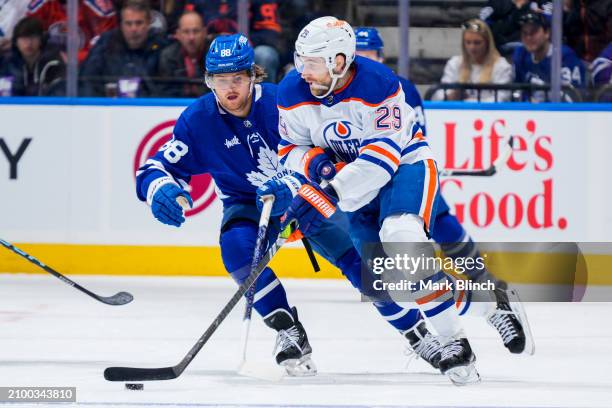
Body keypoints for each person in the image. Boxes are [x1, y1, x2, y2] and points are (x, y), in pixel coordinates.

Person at [135, 33, 443, 376]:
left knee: (363, 267)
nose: (230, 88)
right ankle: (287, 330)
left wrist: (298, 183)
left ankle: (417, 333)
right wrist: (161, 188)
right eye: (221, 81)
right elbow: (156, 167)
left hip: (309, 197)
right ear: (209, 81)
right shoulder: (197, 121)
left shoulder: (286, 100)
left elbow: (330, 153)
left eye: (238, 78)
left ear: (253, 75)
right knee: (237, 250)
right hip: (248, 203)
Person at [267, 16, 483, 385]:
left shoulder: (381, 84)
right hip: (349, 183)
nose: (303, 70)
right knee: (385, 280)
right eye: (300, 60)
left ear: (338, 61)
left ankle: (454, 342)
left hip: (404, 167)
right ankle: (468, 292)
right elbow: (289, 147)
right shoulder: (291, 90)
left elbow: (381, 161)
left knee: (401, 237)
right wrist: (315, 164)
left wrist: (326, 192)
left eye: (312, 62)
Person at [353, 26, 531, 357]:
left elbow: (413, 135)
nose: (363, 59)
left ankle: (488, 289)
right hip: (363, 192)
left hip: (402, 178)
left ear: (380, 56)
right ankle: (488, 305)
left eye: (369, 53)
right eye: (357, 53)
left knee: (441, 224)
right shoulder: (334, 94)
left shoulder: (398, 88)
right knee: (397, 277)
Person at [80, 0, 166, 97]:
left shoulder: (161, 47)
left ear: (148, 23)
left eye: (139, 23)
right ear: (121, 25)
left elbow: (167, 89)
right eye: (128, 24)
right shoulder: (105, 44)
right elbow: (87, 81)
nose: (133, 29)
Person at [433, 18, 512, 102]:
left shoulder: (501, 66)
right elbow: (439, 95)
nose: (472, 47)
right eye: (468, 42)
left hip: (489, 114)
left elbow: (502, 98)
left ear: (487, 43)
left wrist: (469, 102)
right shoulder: (454, 63)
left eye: (477, 42)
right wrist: (452, 95)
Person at [513, 11, 585, 102]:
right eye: (524, 33)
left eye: (533, 32)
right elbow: (516, 93)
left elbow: (572, 99)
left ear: (547, 33)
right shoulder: (521, 54)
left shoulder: (564, 57)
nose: (528, 37)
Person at [26, 0, 117, 62]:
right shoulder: (40, 5)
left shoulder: (100, 8)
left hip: (89, 71)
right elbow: (29, 41)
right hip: (51, 70)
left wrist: (75, 58)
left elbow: (106, 47)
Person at [0, 16, 65, 96]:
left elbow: (59, 92)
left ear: (41, 39)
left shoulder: (53, 63)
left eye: (33, 37)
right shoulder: (7, 64)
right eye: (24, 38)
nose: (29, 43)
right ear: (16, 41)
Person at [158, 10, 210, 97]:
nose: (191, 37)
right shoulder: (168, 56)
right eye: (186, 32)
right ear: (178, 34)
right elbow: (166, 92)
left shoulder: (215, 55)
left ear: (204, 33)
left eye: (196, 31)